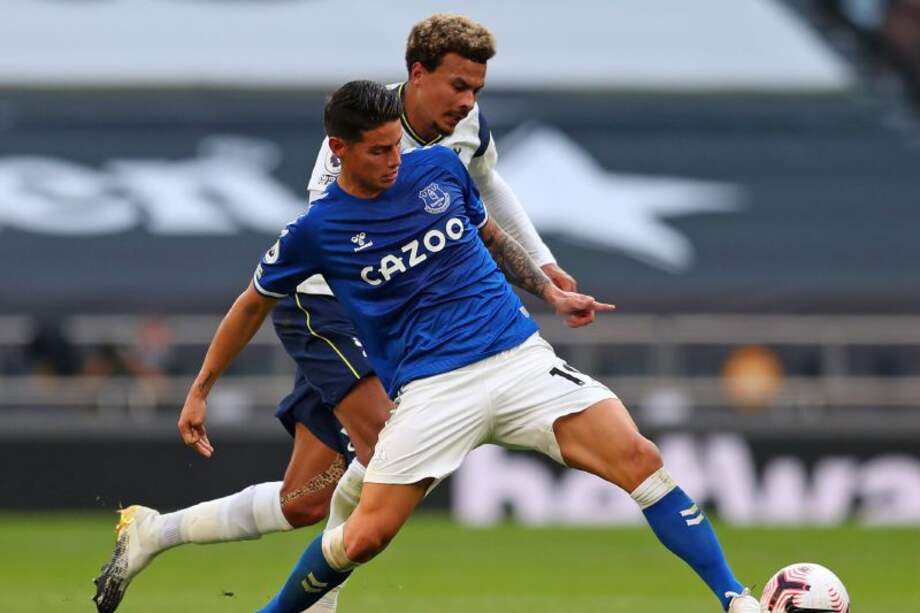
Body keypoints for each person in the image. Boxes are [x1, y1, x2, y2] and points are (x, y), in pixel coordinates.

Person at [92, 14, 574, 613]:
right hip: (332, 307)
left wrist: (543, 264)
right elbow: (335, 241)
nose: (468, 100)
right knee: (391, 452)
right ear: (417, 76)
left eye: (476, 88)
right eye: (458, 86)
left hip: (389, 313)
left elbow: (489, 184)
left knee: (307, 501)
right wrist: (202, 387)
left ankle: (153, 532)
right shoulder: (352, 140)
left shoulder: (466, 130)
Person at [236, 81, 761, 612]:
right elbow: (252, 301)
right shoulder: (318, 226)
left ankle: (736, 598)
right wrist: (202, 387)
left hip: (518, 362)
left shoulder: (441, 168)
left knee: (639, 457)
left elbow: (492, 233)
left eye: (397, 145)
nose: (395, 158)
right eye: (380, 149)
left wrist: (550, 288)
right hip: (433, 390)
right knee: (363, 538)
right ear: (341, 148)